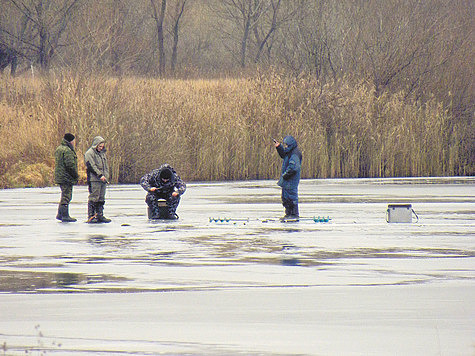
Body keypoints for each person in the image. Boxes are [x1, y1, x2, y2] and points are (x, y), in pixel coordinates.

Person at [274, 135, 302, 221]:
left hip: (291, 179)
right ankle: (288, 214)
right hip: (287, 180)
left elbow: (294, 167)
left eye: (286, 145)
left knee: (291, 197)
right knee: (285, 197)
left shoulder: (295, 153)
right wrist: (279, 147)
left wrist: (286, 175)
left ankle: (294, 214)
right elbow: (283, 154)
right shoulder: (289, 151)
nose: (286, 146)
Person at [84, 136, 111, 223]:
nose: (101, 148)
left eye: (102, 146)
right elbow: (91, 166)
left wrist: (106, 176)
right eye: (100, 146)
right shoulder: (89, 153)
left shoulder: (102, 153)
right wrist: (99, 175)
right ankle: (91, 216)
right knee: (94, 197)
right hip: (94, 179)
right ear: (96, 145)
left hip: (103, 179)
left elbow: (105, 166)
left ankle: (100, 215)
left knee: (101, 198)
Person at [54, 133, 79, 222]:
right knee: (66, 196)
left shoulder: (59, 148)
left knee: (64, 195)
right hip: (66, 177)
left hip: (60, 176)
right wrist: (75, 175)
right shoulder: (67, 150)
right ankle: (64, 215)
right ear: (71, 141)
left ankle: (60, 214)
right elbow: (70, 165)